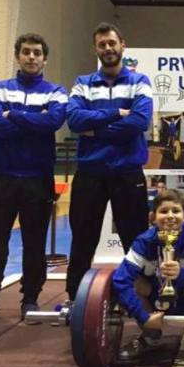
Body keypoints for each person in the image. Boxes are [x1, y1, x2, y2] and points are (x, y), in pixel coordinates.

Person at [0, 33, 68, 325]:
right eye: (26, 52)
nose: (31, 57)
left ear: (44, 59)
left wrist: (13, 115)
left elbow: (53, 122)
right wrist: (33, 120)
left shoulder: (56, 92)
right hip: (2, 179)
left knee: (35, 244)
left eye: (37, 53)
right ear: (18, 56)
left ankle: (30, 300)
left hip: (38, 181)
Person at [65, 22, 153, 302]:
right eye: (102, 44)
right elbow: (74, 120)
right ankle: (76, 300)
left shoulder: (140, 82)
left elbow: (139, 121)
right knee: (82, 240)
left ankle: (142, 299)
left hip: (128, 172)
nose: (107, 48)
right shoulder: (83, 83)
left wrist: (95, 130)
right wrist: (116, 114)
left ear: (122, 45)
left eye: (112, 43)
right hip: (90, 173)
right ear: (96, 49)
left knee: (136, 240)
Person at [112, 189, 184, 360]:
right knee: (135, 283)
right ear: (153, 217)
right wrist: (143, 316)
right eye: (163, 211)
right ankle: (150, 335)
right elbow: (120, 280)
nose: (170, 216)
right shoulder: (143, 242)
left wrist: (182, 274)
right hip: (154, 299)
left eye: (175, 211)